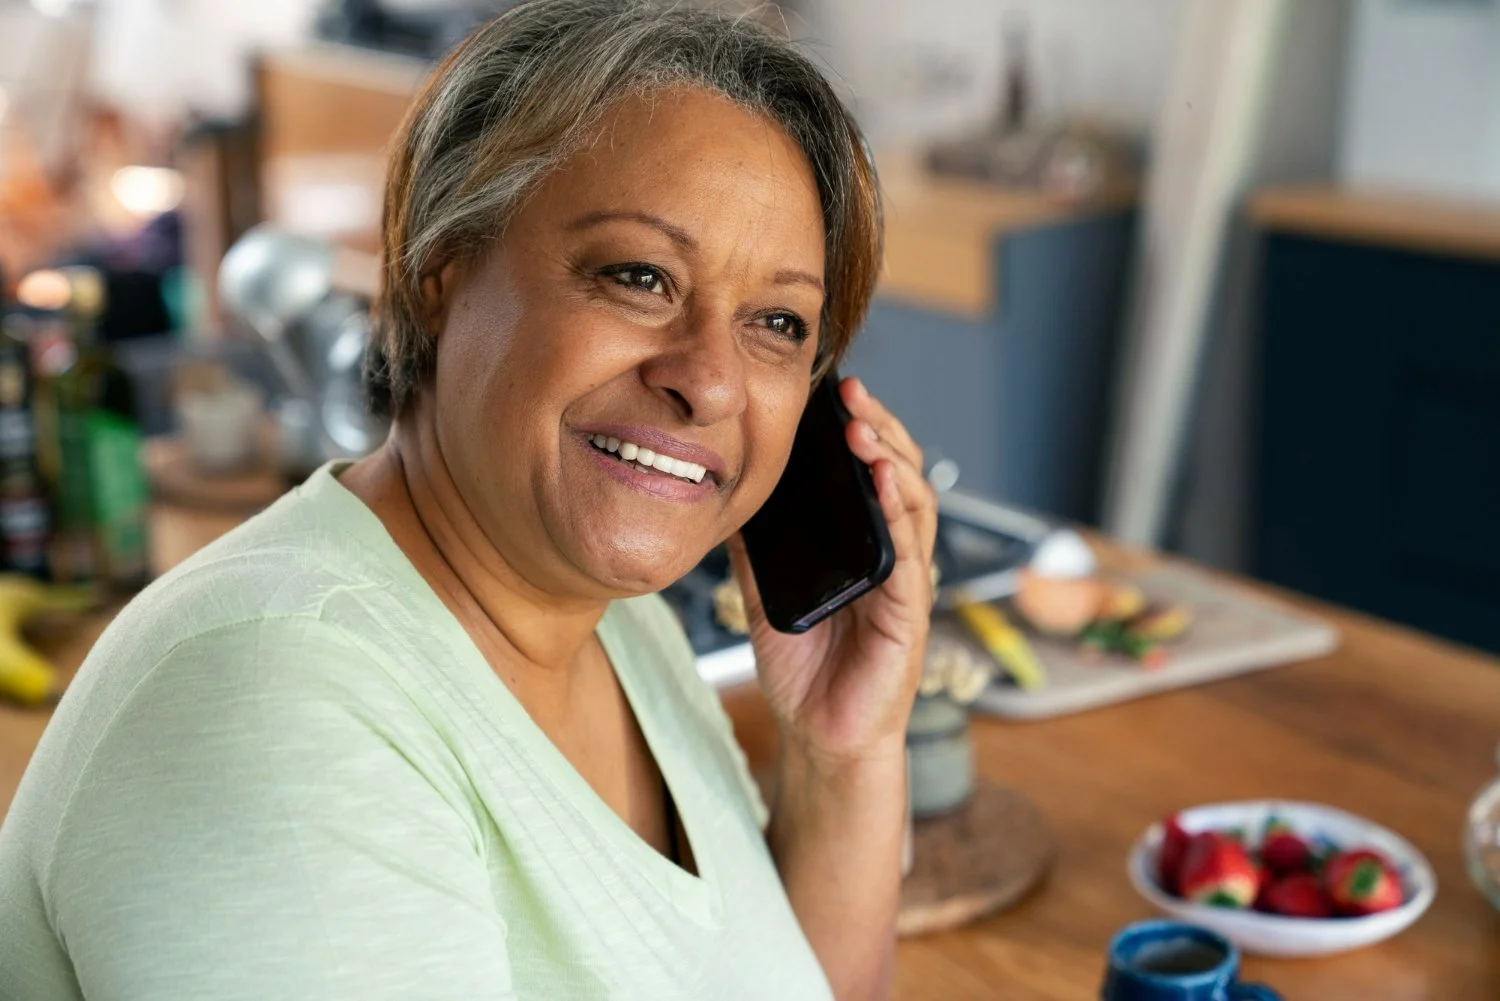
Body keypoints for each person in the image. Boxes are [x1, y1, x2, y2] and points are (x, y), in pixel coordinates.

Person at [0, 2, 938, 998]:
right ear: (440, 271)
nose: (710, 379)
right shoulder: (280, 700)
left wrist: (845, 750)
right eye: (639, 275)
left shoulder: (621, 633)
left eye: (778, 322)